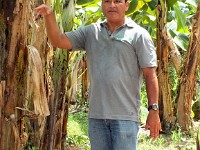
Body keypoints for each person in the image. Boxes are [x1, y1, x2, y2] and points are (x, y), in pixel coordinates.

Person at [35, 0, 161, 149]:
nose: (112, 5)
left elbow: (150, 75)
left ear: (127, 5)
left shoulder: (139, 35)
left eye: (117, 1)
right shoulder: (91, 32)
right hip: (97, 117)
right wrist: (49, 16)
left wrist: (153, 110)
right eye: (107, 1)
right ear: (102, 5)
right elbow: (59, 40)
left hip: (125, 117)